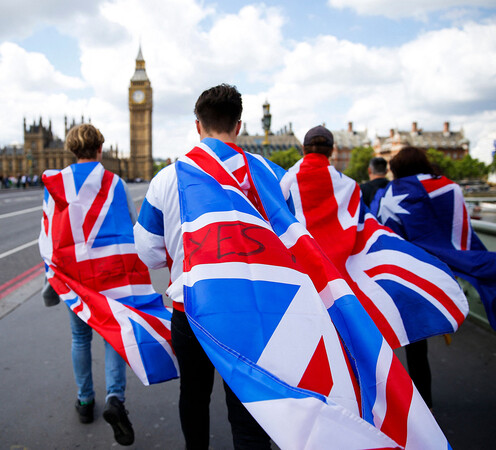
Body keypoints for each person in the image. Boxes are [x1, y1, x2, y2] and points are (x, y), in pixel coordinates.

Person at [280, 131, 469, 411]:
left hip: (304, 279)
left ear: (303, 149)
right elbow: (363, 229)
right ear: (332, 151)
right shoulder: (349, 185)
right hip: (341, 280)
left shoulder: (285, 182)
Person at [134, 84, 271, 449]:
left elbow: (147, 251)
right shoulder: (268, 175)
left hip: (192, 307)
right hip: (253, 309)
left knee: (194, 394)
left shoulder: (167, 178)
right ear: (238, 126)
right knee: (248, 401)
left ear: (198, 125)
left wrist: (180, 254)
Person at [371, 146, 496, 407]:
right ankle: (424, 401)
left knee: (391, 342)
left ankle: (392, 402)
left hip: (396, 275)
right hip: (428, 276)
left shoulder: (389, 194)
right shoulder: (447, 188)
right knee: (418, 345)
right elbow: (456, 229)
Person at [40, 124, 135, 446]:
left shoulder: (56, 182)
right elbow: (129, 227)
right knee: (112, 336)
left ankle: (84, 402)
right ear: (100, 149)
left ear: (71, 150)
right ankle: (115, 399)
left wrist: (49, 277)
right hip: (110, 274)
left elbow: (48, 232)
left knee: (80, 338)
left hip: (74, 277)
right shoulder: (115, 182)